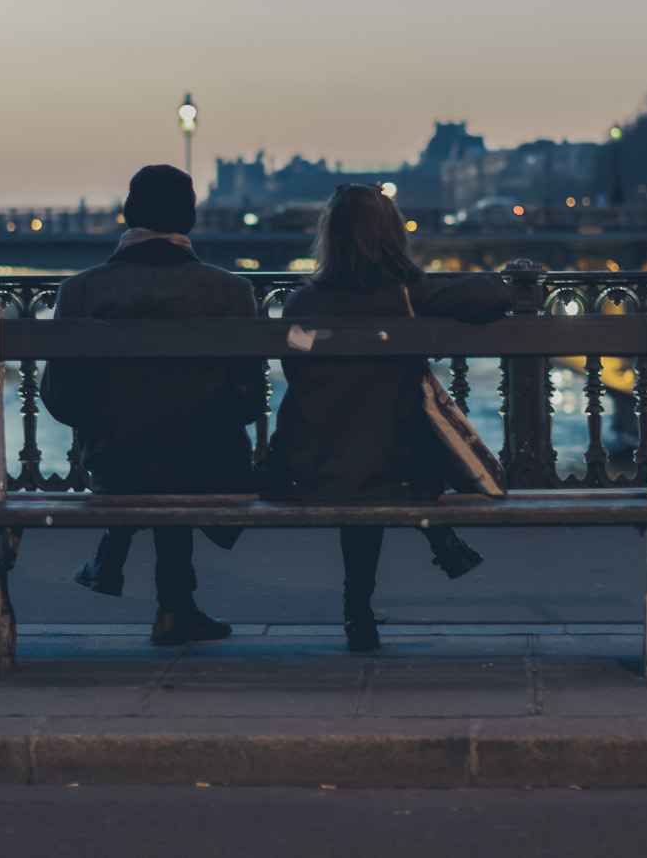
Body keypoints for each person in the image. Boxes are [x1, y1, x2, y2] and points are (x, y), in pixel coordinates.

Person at [266, 184, 511, 651]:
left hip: (315, 465)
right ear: (390, 235)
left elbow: (296, 370)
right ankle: (435, 539)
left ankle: (359, 608)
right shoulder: (408, 296)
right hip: (394, 467)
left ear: (330, 236)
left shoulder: (301, 306)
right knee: (394, 430)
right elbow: (491, 296)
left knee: (361, 446)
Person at [41, 164, 263, 646]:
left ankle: (150, 587)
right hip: (206, 468)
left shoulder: (79, 290)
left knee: (148, 445)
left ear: (127, 214)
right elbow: (248, 403)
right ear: (190, 218)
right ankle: (174, 607)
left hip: (116, 466)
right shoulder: (232, 291)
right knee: (183, 443)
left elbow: (62, 400)